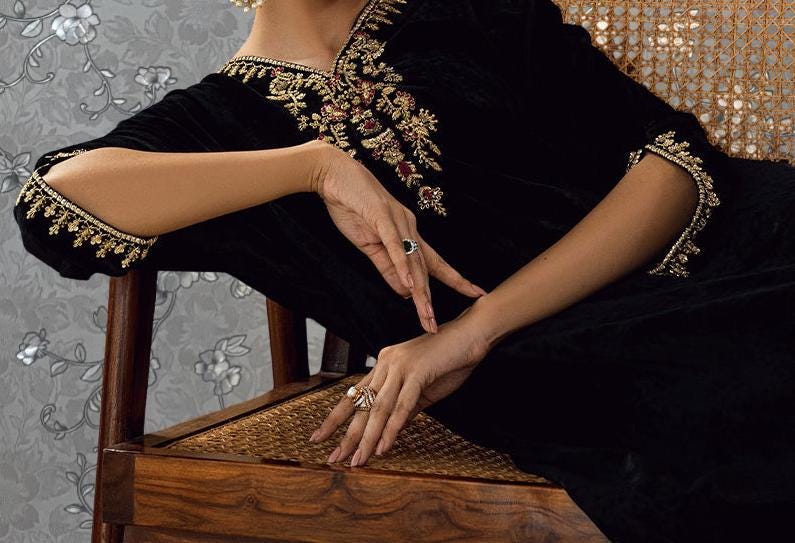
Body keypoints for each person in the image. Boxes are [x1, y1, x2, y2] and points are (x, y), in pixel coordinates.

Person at [12, 0, 794, 541]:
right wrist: (313, 167)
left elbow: (673, 165)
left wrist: (472, 331)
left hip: (726, 249)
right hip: (575, 362)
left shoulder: (472, 17)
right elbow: (54, 202)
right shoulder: (216, 124)